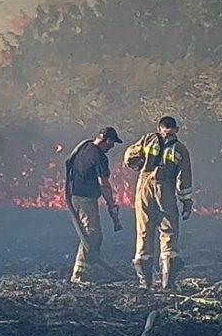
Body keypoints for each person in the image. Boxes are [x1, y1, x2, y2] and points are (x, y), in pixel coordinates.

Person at [122, 116, 193, 289]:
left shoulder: (148, 139)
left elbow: (129, 157)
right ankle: (167, 282)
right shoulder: (181, 149)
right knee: (168, 230)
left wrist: (140, 167)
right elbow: (184, 180)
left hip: (144, 186)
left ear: (159, 127)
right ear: (176, 129)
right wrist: (186, 202)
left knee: (144, 229)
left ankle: (145, 282)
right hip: (165, 187)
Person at [64, 126, 123, 283]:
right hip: (85, 199)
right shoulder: (99, 156)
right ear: (107, 140)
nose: (112, 147)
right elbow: (104, 184)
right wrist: (111, 204)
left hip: (75, 196)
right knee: (92, 235)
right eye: (112, 143)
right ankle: (79, 274)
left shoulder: (84, 147)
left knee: (90, 234)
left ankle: (90, 266)